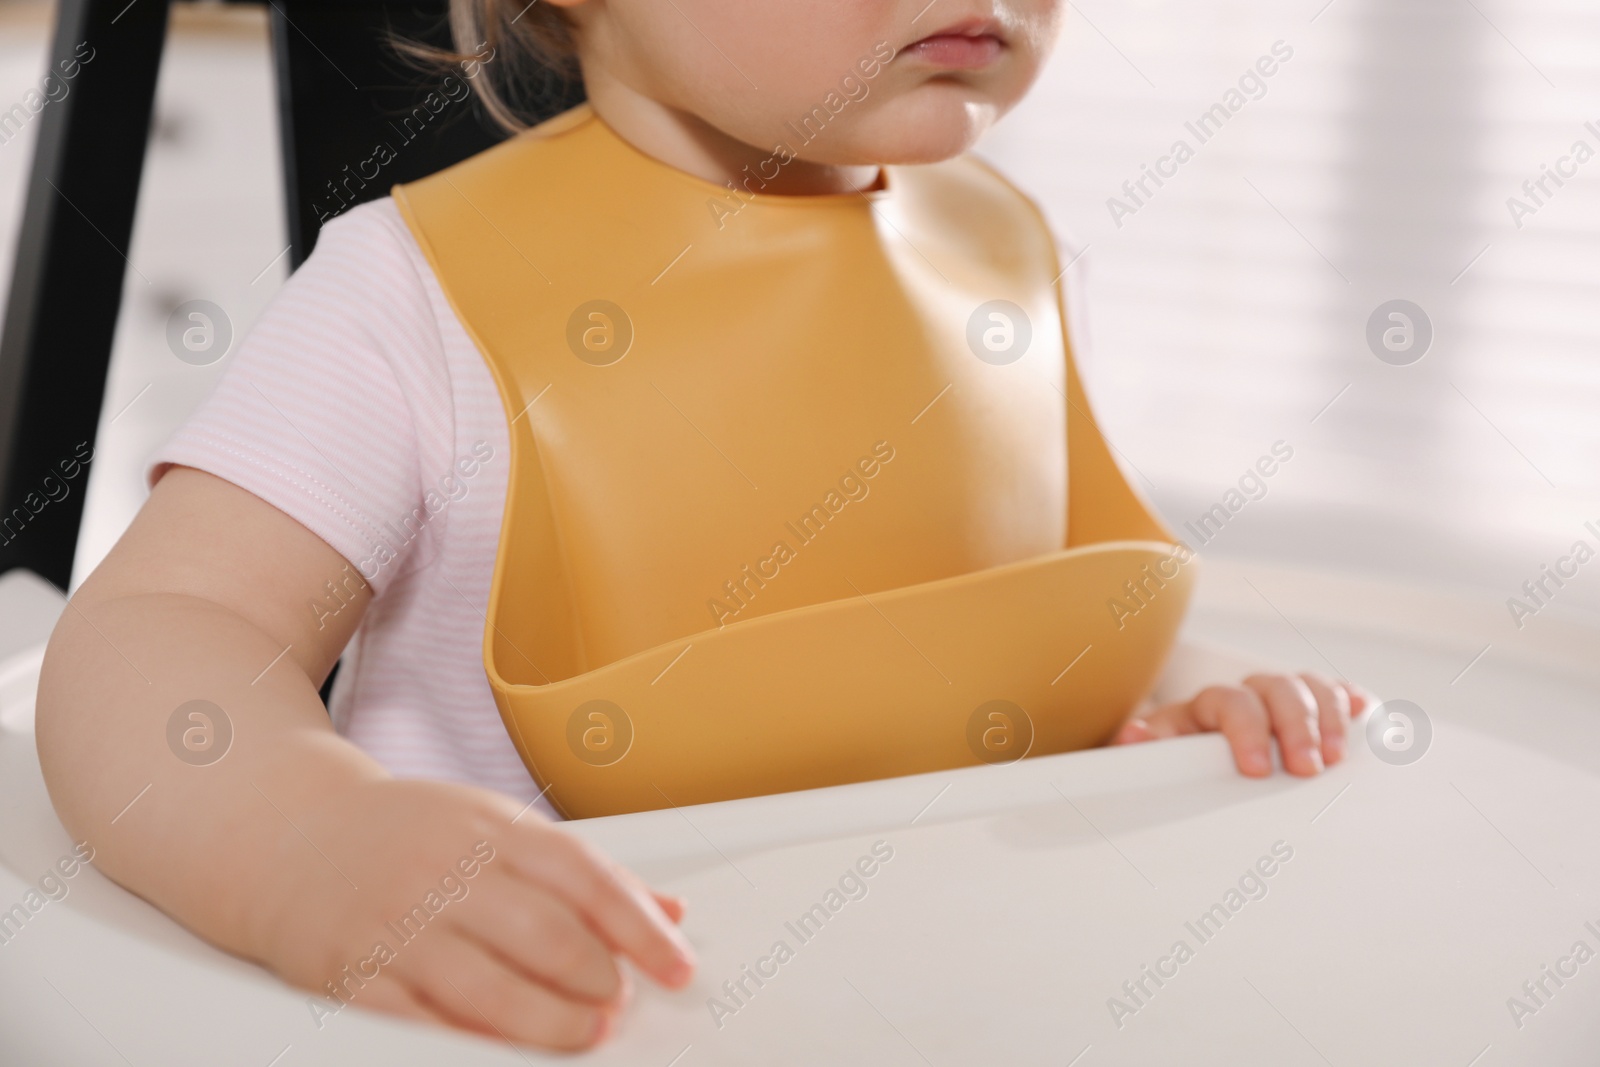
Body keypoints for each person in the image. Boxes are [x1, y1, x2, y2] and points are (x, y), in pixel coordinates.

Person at [36, 0, 1371, 1051]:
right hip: (553, 1016)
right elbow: (165, 631)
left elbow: (1028, 619)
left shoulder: (1018, 259)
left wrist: (1175, 714)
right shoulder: (405, 298)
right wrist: (300, 841)